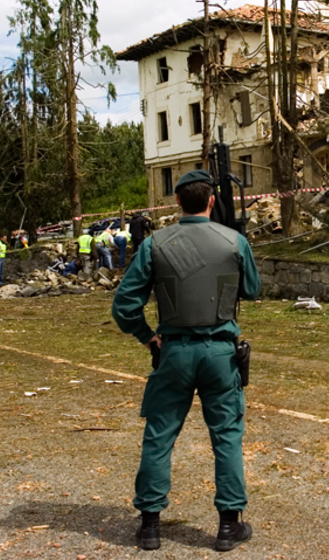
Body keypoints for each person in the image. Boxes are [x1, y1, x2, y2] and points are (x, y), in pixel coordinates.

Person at [112, 170, 261, 552]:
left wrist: (148, 336)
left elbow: (124, 305)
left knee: (159, 436)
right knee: (227, 437)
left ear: (177, 201)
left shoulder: (155, 244)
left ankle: (149, 526)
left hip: (174, 350)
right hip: (220, 352)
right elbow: (253, 290)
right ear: (212, 200)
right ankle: (229, 525)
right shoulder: (235, 241)